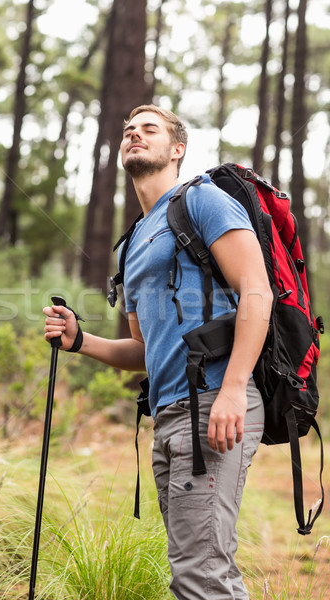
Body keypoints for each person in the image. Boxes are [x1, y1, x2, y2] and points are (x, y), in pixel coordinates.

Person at [43, 104, 273, 600]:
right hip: (169, 417)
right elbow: (143, 350)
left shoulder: (203, 202)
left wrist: (233, 388)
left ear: (177, 150)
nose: (134, 135)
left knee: (200, 575)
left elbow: (257, 289)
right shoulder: (132, 245)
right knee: (197, 565)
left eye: (149, 129)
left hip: (214, 403)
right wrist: (81, 341)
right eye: (128, 130)